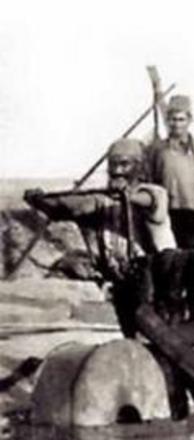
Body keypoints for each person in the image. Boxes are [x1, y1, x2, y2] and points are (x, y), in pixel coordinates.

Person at [24, 138, 174, 334]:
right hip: (121, 279)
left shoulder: (155, 193)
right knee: (131, 334)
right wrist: (39, 201)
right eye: (113, 164)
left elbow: (148, 201)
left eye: (125, 164)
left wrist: (126, 195)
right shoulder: (101, 200)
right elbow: (65, 209)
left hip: (156, 277)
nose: (118, 171)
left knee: (157, 333)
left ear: (139, 167)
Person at [146, 94, 194, 320]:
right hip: (166, 215)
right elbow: (147, 181)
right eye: (172, 119)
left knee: (193, 262)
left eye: (181, 119)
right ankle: (170, 309)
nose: (176, 124)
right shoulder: (156, 150)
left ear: (189, 120)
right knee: (167, 262)